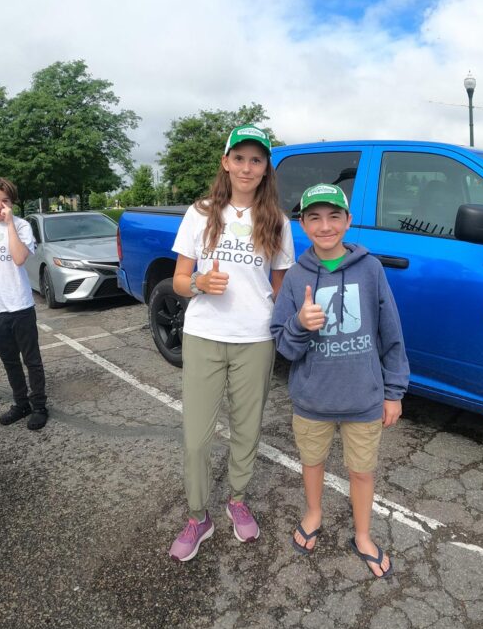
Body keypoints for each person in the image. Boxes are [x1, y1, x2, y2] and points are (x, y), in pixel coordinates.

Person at [168, 125, 295, 562]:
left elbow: (280, 290)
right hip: (204, 335)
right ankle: (198, 516)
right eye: (238, 158)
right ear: (225, 162)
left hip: (255, 338)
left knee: (247, 429)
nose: (246, 167)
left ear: (265, 169)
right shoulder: (200, 213)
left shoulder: (277, 220)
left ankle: (237, 499)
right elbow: (179, 281)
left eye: (255, 160)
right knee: (196, 438)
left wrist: (301, 325)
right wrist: (200, 282)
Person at [271, 183, 409, 579]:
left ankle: (363, 535)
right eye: (314, 217)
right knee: (312, 462)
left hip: (363, 399)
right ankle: (313, 513)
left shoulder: (370, 269)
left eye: (334, 216)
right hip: (312, 399)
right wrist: (300, 324)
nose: (325, 225)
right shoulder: (297, 278)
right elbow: (283, 344)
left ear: (348, 221)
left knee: (362, 471)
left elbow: (391, 333)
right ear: (302, 223)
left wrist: (393, 392)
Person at [0, 177, 48, 430]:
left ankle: (38, 405)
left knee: (32, 360)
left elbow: (18, 258)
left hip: (20, 306)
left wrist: (10, 224)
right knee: (10, 361)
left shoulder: (22, 226)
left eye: (5, 200)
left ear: (12, 203)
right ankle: (21, 402)